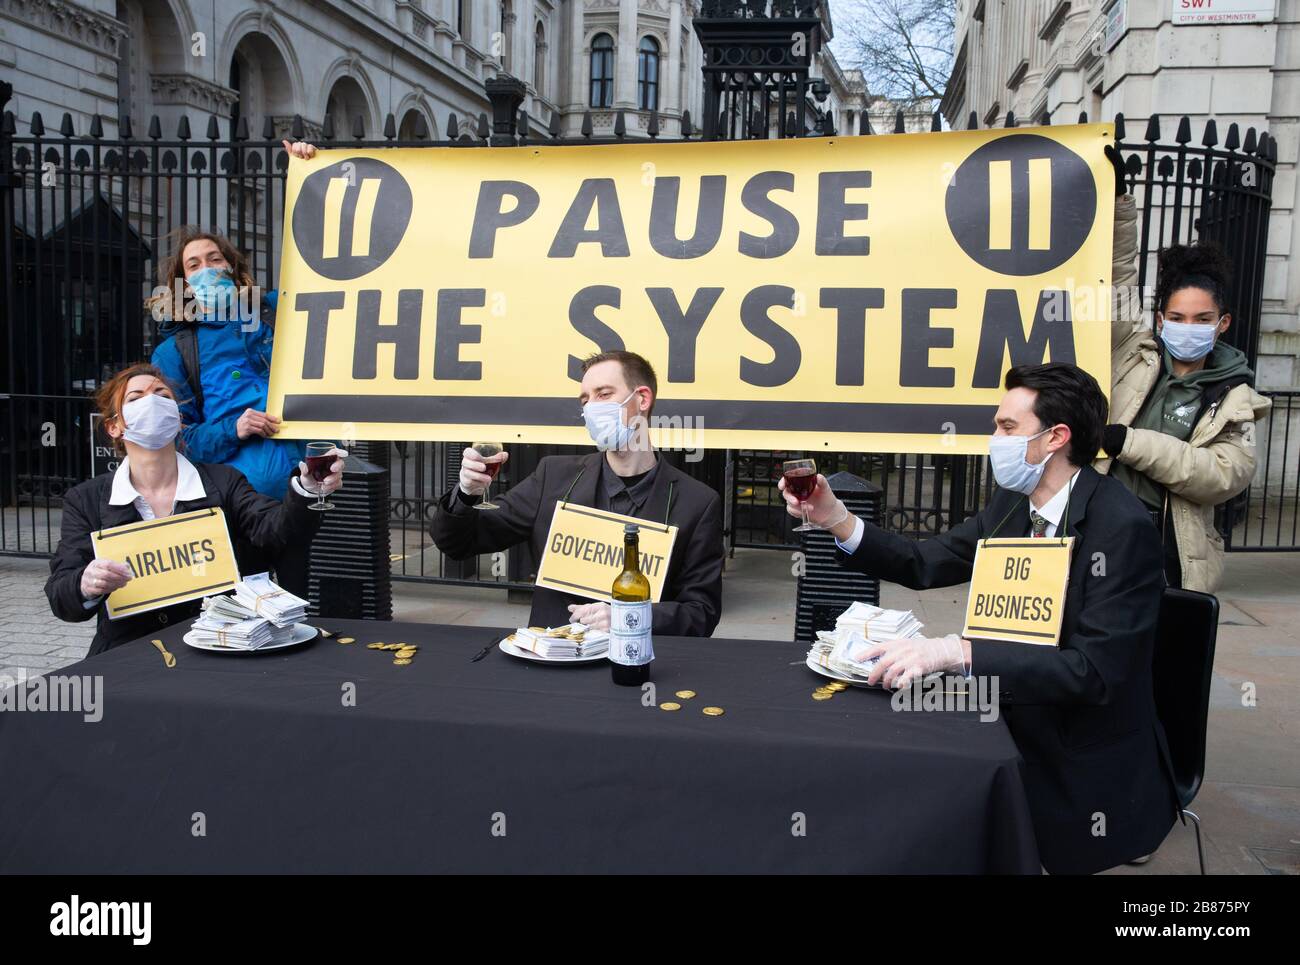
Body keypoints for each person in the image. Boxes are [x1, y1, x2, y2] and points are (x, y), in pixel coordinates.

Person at [780, 363, 1178, 875]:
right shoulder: (1014, 504)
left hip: (1075, 753)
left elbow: (1094, 672)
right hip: (1002, 713)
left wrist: (955, 651)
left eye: (1007, 428)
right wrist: (834, 517)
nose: (994, 439)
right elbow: (924, 562)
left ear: (1056, 437)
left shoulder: (1120, 527)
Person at [45, 363, 344, 656]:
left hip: (219, 651)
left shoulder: (223, 481)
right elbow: (62, 597)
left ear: (177, 419)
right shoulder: (85, 499)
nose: (152, 402)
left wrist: (305, 490)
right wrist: (86, 584)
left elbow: (276, 530)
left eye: (163, 396)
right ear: (114, 427)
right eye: (135, 398)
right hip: (126, 657)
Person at [430, 350, 724, 636]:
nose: (592, 407)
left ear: (642, 399)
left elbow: (701, 613)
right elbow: (458, 543)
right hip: (554, 667)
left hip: (639, 669)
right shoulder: (553, 477)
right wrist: (466, 494)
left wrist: (630, 617)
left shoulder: (697, 503)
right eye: (585, 399)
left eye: (604, 394)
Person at [146, 140, 320, 593]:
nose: (207, 268)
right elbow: (177, 437)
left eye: (215, 259)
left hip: (297, 489)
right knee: (240, 608)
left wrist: (310, 172)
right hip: (229, 505)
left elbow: (325, 282)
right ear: (182, 283)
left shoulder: (270, 314)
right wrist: (233, 429)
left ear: (233, 268)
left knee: (299, 605)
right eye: (194, 264)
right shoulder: (174, 353)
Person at [1101, 191, 1271, 592]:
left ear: (1222, 323)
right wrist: (1120, 205)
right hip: (1101, 533)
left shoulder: (1236, 397)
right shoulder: (1132, 353)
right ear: (1160, 319)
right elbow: (1118, 279)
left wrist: (1129, 442)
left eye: (1202, 319)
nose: (1188, 326)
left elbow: (1221, 475)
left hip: (1168, 555)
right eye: (1177, 317)